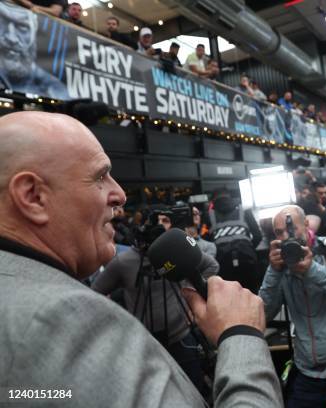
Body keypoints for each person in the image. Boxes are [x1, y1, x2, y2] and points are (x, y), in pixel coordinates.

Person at [0, 111, 282, 407]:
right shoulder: (67, 316)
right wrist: (240, 335)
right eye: (99, 176)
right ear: (33, 196)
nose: (120, 194)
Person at [91, 211, 219, 399]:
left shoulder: (176, 252)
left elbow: (211, 266)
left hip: (182, 339)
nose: (161, 227)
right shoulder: (124, 261)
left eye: (165, 221)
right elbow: (95, 292)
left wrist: (189, 293)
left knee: (195, 393)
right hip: (145, 345)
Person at [259, 205, 326, 408]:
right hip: (306, 373)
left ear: (306, 225)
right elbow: (263, 313)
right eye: (279, 232)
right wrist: (274, 270)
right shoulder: (281, 264)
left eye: (292, 228)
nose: (287, 236)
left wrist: (312, 270)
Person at [0, 2, 69, 100]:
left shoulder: (54, 89)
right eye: (2, 24)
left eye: (22, 27)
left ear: (34, 31)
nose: (12, 38)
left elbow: (56, 11)